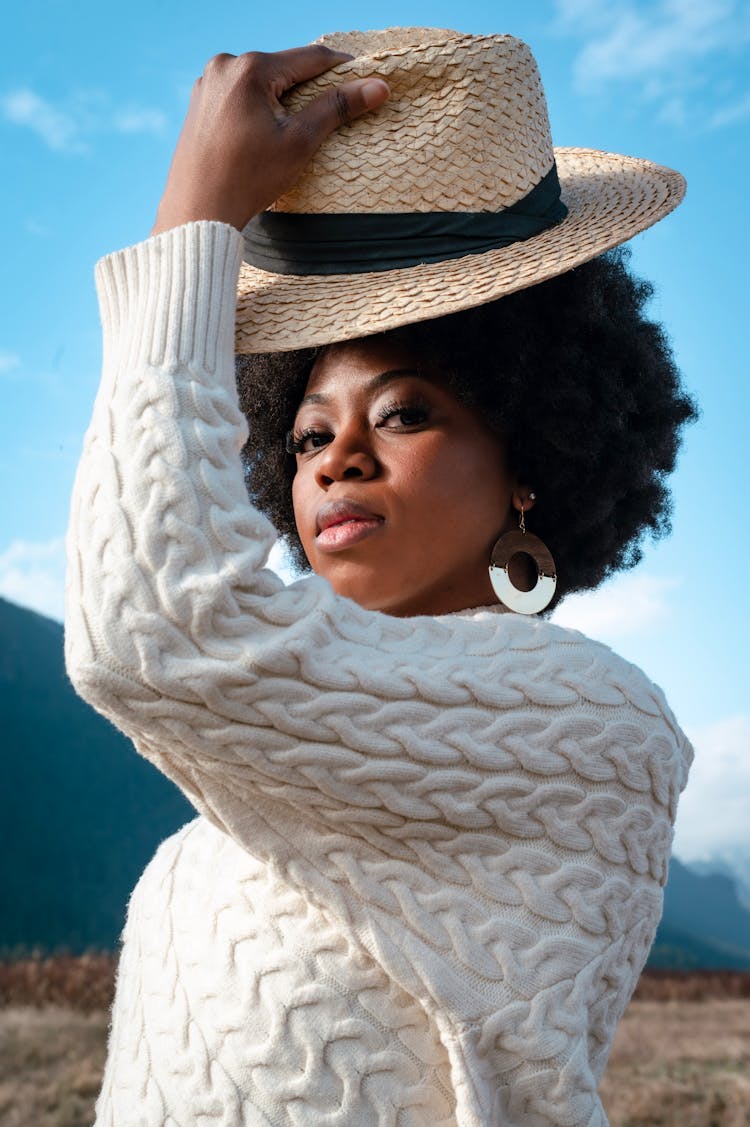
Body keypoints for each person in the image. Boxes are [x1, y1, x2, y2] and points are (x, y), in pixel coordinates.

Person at [65, 28, 696, 1126]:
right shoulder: (266, 759)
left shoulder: (594, 727)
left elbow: (152, 624)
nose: (339, 459)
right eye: (307, 437)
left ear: (531, 460)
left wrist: (193, 225)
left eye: (405, 412)